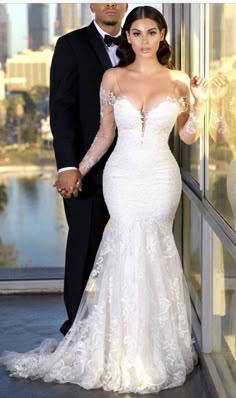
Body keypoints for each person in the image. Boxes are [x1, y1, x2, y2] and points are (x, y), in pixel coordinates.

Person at [0, 6, 208, 394]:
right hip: (122, 178)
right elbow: (104, 134)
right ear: (128, 37)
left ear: (163, 35)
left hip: (160, 179)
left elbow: (190, 136)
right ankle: (120, 349)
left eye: (151, 32)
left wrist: (196, 103)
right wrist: (76, 168)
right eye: (137, 33)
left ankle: (154, 350)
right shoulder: (112, 77)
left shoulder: (179, 80)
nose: (144, 40)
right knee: (125, 248)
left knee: (155, 250)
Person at [50, 3, 128, 335]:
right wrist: (69, 166)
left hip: (133, 167)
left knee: (132, 245)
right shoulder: (71, 45)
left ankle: (126, 322)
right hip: (86, 169)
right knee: (83, 247)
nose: (110, 3)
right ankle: (77, 330)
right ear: (91, 4)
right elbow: (61, 108)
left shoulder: (140, 43)